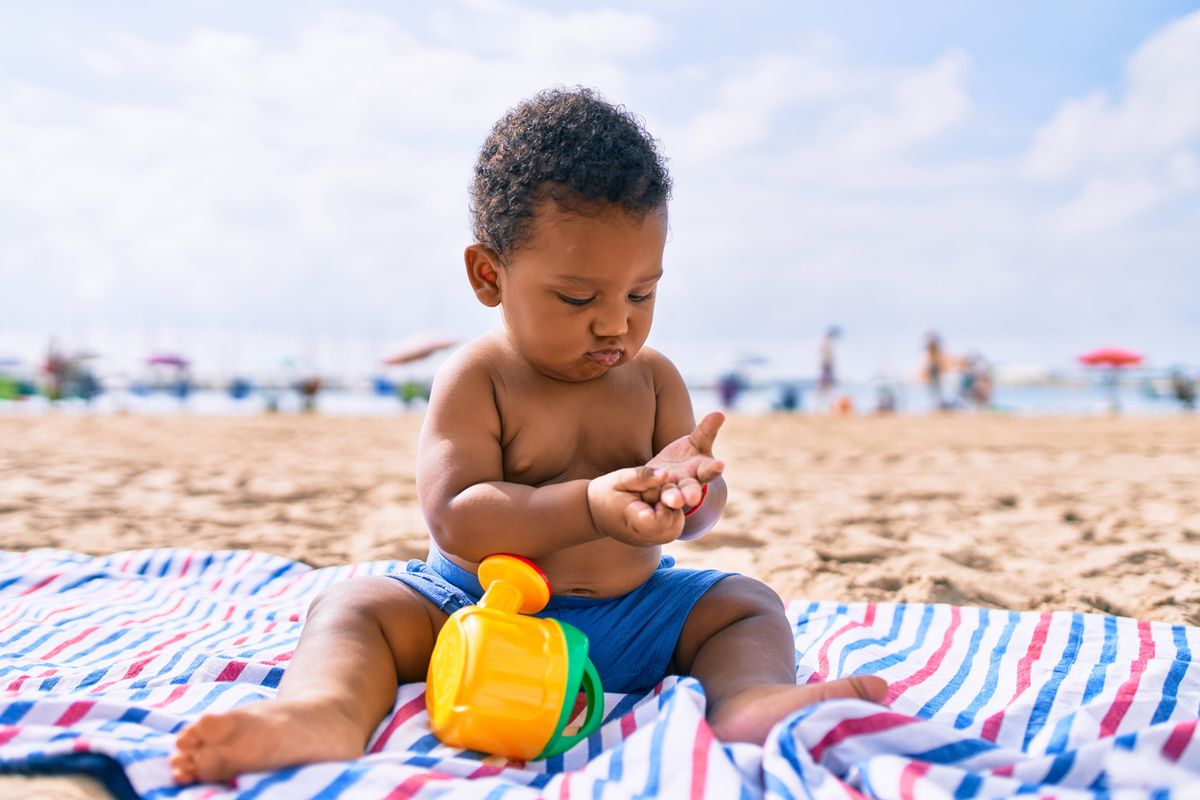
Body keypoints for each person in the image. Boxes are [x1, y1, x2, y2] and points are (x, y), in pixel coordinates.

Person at [169, 87, 886, 784]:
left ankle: (750, 703)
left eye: (642, 293)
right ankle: (321, 712)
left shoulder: (654, 377)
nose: (615, 323)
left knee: (745, 604)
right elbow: (456, 517)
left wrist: (694, 495)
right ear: (490, 275)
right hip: (477, 615)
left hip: (633, 620)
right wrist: (591, 506)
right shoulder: (479, 376)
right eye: (578, 297)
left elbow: (694, 520)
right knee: (356, 607)